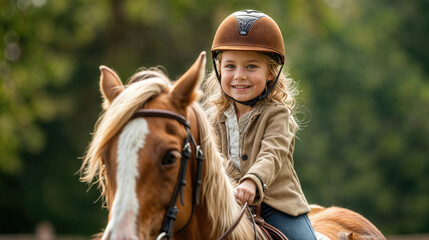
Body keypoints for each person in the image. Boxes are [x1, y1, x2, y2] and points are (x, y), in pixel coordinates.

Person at [202, 10, 317, 240]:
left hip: (277, 206)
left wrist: (252, 181)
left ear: (271, 74)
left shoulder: (278, 115)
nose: (239, 76)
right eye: (230, 66)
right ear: (219, 69)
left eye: (251, 67)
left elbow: (272, 153)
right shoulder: (214, 118)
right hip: (226, 202)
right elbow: (212, 157)